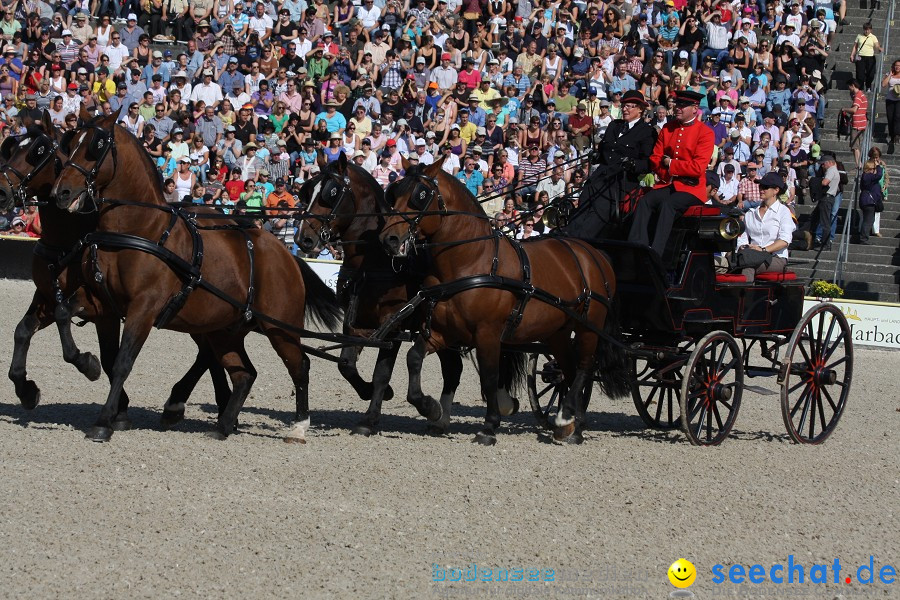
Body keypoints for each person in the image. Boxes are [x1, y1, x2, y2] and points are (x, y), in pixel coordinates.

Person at [627, 90, 715, 257]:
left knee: (668, 204)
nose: (677, 108)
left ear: (695, 108)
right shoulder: (668, 128)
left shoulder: (705, 133)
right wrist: (667, 171)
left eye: (682, 105)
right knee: (645, 200)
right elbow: (655, 158)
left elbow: (697, 168)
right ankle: (637, 247)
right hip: (669, 183)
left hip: (692, 189)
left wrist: (671, 164)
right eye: (677, 104)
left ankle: (656, 254)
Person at [734, 172, 795, 282]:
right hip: (752, 255)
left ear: (776, 190)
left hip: (775, 258)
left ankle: (744, 297)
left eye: (765, 187)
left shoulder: (783, 212)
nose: (761, 189)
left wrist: (763, 249)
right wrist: (743, 247)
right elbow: (742, 238)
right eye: (760, 186)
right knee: (733, 261)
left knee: (748, 265)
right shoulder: (750, 213)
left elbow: (785, 240)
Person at [849, 22, 882, 93]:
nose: (867, 31)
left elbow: (876, 45)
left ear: (871, 30)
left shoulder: (873, 37)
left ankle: (868, 86)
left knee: (871, 74)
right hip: (860, 57)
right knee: (860, 74)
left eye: (868, 29)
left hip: (870, 57)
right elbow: (855, 46)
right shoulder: (859, 36)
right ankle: (860, 88)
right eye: (865, 29)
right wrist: (852, 55)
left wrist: (879, 48)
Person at [857, 160, 883, 245]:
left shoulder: (867, 177)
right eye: (874, 168)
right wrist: (879, 166)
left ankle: (863, 237)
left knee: (869, 220)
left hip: (867, 201)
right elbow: (879, 175)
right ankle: (863, 238)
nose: (875, 170)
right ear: (870, 169)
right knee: (868, 221)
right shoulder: (868, 176)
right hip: (868, 202)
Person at [881, 59, 900, 154]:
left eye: (899, 66)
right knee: (890, 118)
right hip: (890, 99)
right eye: (896, 65)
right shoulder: (889, 74)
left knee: (897, 117)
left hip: (899, 100)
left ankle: (897, 135)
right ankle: (892, 136)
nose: (897, 67)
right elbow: (883, 84)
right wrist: (890, 75)